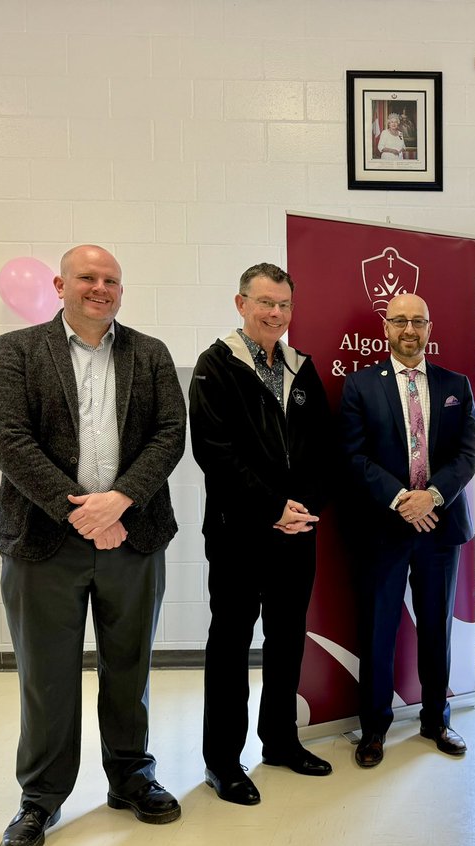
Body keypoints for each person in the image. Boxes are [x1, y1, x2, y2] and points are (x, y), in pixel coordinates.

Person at [0, 245, 186, 846]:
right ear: (59, 285)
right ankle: (40, 797)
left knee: (130, 665)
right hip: (42, 542)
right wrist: (83, 512)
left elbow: (170, 434)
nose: (101, 288)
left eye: (111, 280)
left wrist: (119, 500)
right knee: (46, 676)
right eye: (88, 278)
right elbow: (9, 441)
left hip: (134, 535)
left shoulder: (148, 354)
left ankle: (130, 776)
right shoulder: (16, 352)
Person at [188, 263, 334, 807]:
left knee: (287, 638)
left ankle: (279, 741)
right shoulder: (214, 367)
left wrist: (305, 508)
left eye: (284, 306)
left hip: (298, 531)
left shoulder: (301, 366)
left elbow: (322, 447)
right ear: (241, 303)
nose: (275, 314)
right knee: (229, 645)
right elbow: (215, 454)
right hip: (238, 534)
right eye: (265, 303)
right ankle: (222, 762)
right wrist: (273, 507)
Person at [338, 293, 475, 768]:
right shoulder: (360, 386)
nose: (409, 330)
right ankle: (374, 727)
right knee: (379, 629)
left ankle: (436, 719)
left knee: (435, 627)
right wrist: (403, 499)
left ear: (430, 327)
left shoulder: (455, 384)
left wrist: (432, 496)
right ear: (386, 328)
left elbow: (467, 455)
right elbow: (354, 457)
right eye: (400, 321)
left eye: (418, 321)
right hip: (384, 527)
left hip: (439, 526)